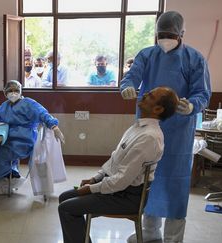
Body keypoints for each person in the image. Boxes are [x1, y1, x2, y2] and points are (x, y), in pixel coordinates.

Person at [120, 11, 211, 243]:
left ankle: (173, 238)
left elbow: (202, 93)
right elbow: (132, 76)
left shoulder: (194, 59)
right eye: (161, 34)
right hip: (148, 128)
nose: (165, 38)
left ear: (181, 34)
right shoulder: (147, 55)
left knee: (176, 181)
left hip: (179, 131)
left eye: (170, 34)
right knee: (147, 179)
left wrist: (192, 106)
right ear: (156, 33)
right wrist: (127, 87)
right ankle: (149, 234)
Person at [58, 87, 179, 243]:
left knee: (66, 209)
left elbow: (121, 181)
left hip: (127, 197)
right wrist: (96, 178)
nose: (144, 95)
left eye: (150, 95)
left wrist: (90, 189)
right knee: (64, 198)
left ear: (158, 109)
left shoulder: (149, 137)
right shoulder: (137, 128)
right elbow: (114, 160)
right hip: (116, 189)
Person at [0, 80, 65, 195]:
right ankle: (10, 178)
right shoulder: (5, 106)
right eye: (10, 91)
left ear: (21, 91)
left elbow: (42, 113)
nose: (13, 93)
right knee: (0, 150)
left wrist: (54, 126)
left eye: (16, 90)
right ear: (5, 93)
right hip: (11, 140)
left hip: (24, 141)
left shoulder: (28, 103)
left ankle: (6, 184)